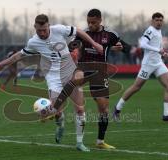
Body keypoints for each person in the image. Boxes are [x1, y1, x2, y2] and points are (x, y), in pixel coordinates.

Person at [0, 14, 103, 152]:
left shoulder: (59, 30)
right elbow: (19, 55)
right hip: (53, 77)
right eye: (39, 30)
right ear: (35, 28)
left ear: (48, 26)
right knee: (55, 110)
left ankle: (80, 143)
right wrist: (3, 64)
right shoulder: (33, 42)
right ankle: (60, 123)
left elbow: (79, 31)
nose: (42, 33)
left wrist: (95, 44)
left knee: (80, 109)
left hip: (70, 72)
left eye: (44, 29)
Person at [52, 8, 124, 150]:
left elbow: (122, 46)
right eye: (88, 22)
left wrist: (119, 47)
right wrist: (68, 49)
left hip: (100, 71)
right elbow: (72, 46)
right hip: (83, 67)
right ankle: (55, 107)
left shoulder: (110, 34)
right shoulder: (84, 34)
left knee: (103, 109)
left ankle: (100, 141)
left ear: (100, 20)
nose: (90, 25)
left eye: (93, 22)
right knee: (74, 80)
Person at [113, 12, 168, 123]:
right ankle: (117, 109)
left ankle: (166, 115)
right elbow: (143, 44)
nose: (159, 22)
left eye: (160, 20)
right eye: (157, 20)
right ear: (152, 21)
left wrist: (162, 53)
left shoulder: (158, 31)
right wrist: (158, 50)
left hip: (158, 63)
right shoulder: (150, 30)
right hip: (148, 64)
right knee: (136, 87)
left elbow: (155, 46)